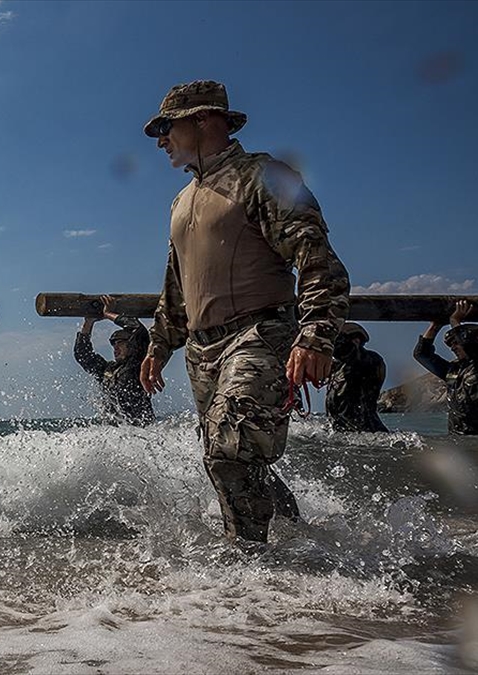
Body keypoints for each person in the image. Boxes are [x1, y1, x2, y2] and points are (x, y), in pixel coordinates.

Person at [139, 80, 351, 543]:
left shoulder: (260, 176)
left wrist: (315, 333)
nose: (160, 141)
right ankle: (300, 540)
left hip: (261, 333)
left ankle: (247, 567)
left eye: (166, 127)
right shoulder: (181, 201)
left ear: (202, 120)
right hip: (202, 349)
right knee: (232, 455)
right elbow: (177, 284)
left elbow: (316, 257)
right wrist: (159, 345)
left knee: (228, 451)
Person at [413, 300, 478, 435]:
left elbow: (470, 345)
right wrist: (435, 325)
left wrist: (455, 320)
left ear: (477, 342)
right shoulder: (453, 370)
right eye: (451, 345)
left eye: (456, 343)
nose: (453, 348)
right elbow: (422, 354)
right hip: (461, 440)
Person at [74, 294, 154, 426]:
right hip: (115, 435)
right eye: (114, 345)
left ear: (131, 346)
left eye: (120, 343)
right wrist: (88, 322)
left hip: (142, 433)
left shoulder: (138, 365)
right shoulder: (107, 370)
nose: (115, 348)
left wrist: (108, 314)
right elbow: (83, 355)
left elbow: (138, 330)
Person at [325, 322, 388, 432]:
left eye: (338, 340)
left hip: (366, 432)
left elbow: (355, 357)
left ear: (356, 341)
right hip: (341, 432)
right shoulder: (338, 368)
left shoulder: (369, 360)